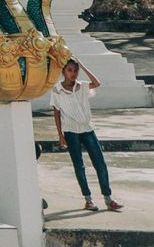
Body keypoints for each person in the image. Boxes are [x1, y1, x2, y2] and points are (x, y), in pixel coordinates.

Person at [52, 59, 121, 212]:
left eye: (75, 70)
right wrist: (60, 135)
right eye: (69, 70)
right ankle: (88, 200)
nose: (73, 74)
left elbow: (96, 83)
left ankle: (108, 198)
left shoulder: (82, 86)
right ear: (63, 71)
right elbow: (56, 113)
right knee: (79, 166)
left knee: (100, 164)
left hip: (87, 129)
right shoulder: (57, 90)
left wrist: (82, 65)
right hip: (70, 131)